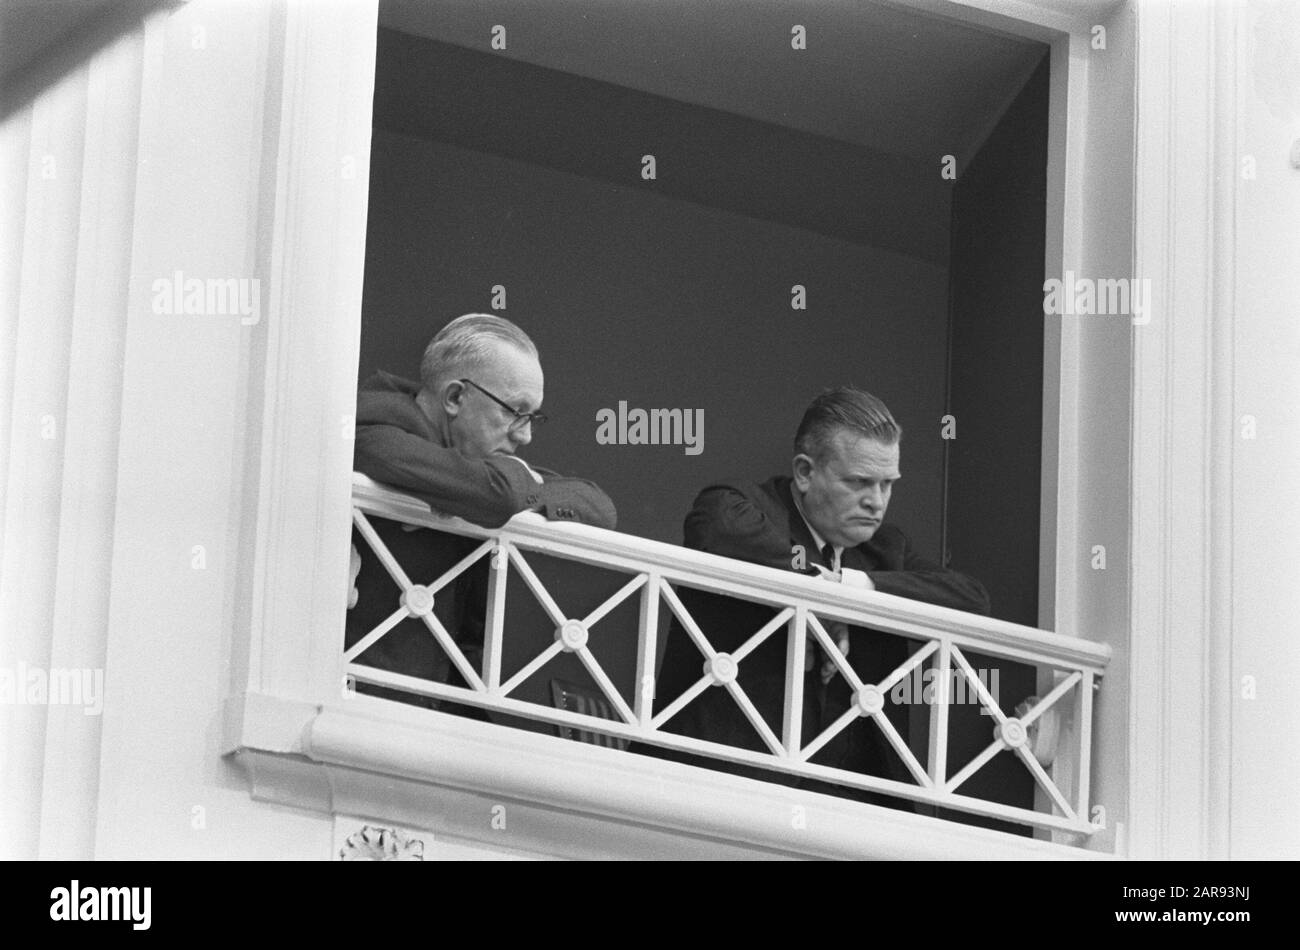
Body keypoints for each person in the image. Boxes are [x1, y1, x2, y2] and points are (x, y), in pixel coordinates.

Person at [650, 386, 989, 804]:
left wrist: (851, 587)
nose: (876, 501)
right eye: (859, 482)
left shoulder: (885, 550)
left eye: (887, 484)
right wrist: (818, 594)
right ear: (805, 472)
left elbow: (972, 599)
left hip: (854, 803)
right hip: (721, 784)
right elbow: (716, 528)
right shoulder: (740, 506)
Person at [346, 313, 617, 710]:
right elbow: (499, 496)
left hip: (431, 712)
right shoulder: (369, 427)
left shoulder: (478, 463)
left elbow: (599, 506)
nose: (525, 435)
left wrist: (496, 488)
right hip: (353, 707)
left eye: (533, 417)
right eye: (515, 411)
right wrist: (500, 490)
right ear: (455, 397)